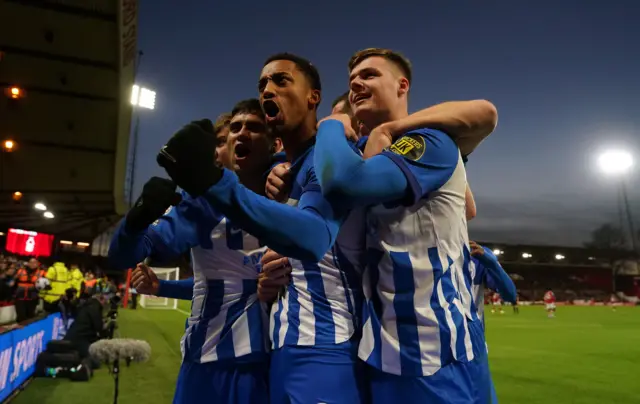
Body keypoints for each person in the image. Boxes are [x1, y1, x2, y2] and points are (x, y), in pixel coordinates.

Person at [156, 53, 367, 404]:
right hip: (284, 342)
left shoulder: (332, 152)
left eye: (281, 81)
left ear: (313, 96)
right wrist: (269, 275)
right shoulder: (286, 171)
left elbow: (316, 236)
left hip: (327, 342)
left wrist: (336, 123)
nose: (268, 89)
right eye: (263, 84)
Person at [312, 48, 497, 403]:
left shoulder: (429, 138)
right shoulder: (365, 150)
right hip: (403, 345)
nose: (356, 84)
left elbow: (344, 184)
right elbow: (468, 207)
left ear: (402, 85)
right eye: (352, 80)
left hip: (425, 346)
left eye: (369, 75)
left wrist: (336, 123)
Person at [110, 99, 284, 404]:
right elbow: (126, 255)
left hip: (270, 359)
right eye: (233, 130)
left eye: (253, 128)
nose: (239, 135)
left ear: (274, 142)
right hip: (207, 358)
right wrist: (135, 222)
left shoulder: (290, 197)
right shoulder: (201, 203)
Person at [469, 240, 517, 403]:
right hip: (434, 352)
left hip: (473, 348)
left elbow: (510, 294)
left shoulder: (475, 254)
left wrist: (492, 264)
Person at [14, 258, 43, 323]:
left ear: (37, 264)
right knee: (21, 316)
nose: (32, 264)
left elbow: (45, 285)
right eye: (31, 262)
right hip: (20, 297)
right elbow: (13, 283)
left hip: (33, 297)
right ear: (28, 263)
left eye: (34, 262)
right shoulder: (20, 271)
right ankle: (20, 330)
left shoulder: (42, 272)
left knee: (31, 315)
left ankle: (29, 330)